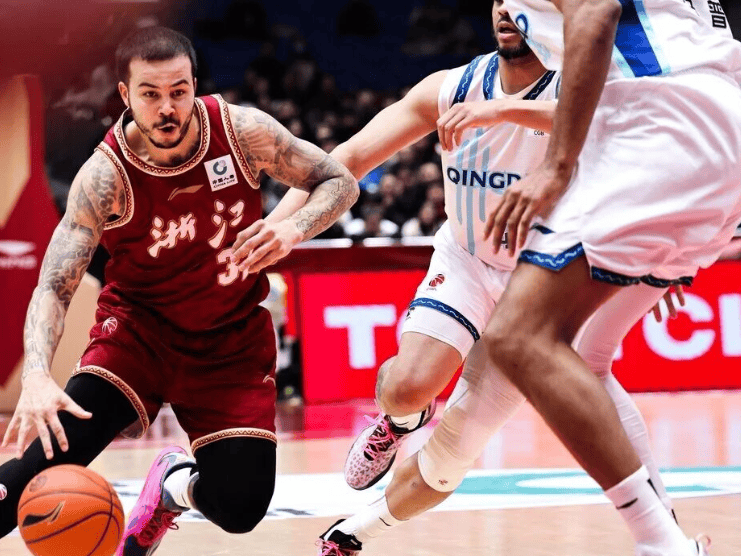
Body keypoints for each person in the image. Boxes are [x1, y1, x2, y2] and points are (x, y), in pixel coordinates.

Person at [263, 2, 680, 553]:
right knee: (405, 387)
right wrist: (273, 228)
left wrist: (654, 255)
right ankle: (399, 422)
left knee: (452, 457)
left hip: (541, 285)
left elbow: (619, 133)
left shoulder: (581, 89)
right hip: (467, 261)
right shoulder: (451, 87)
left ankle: (353, 534)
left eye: (524, 1)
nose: (507, 9)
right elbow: (349, 158)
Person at [0, 26, 358, 556]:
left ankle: (173, 487)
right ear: (126, 95)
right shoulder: (104, 177)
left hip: (230, 341)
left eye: (179, 91)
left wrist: (292, 229)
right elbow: (54, 287)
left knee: (241, 507)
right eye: (151, 94)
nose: (167, 108)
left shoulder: (243, 133)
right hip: (138, 337)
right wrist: (36, 374)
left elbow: (340, 181)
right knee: (50, 454)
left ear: (194, 85)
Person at [478, 0, 741, 554]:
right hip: (706, 126)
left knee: (519, 335)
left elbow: (596, 11)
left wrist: (556, 167)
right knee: (584, 355)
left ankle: (662, 545)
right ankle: (665, 535)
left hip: (660, 123)